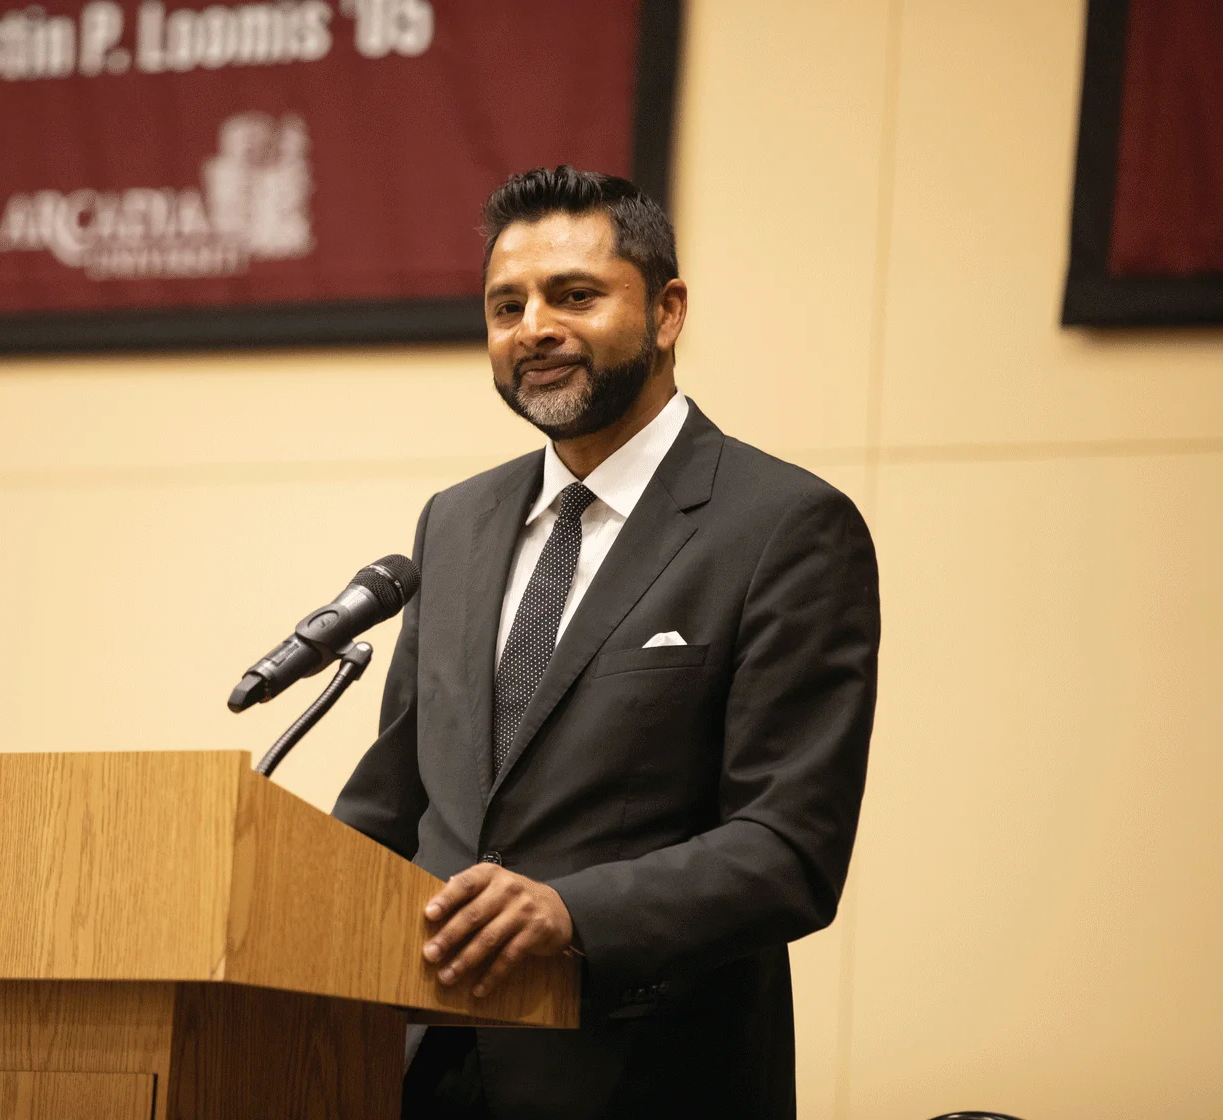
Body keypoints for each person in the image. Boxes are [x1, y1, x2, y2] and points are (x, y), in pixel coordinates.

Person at [331, 167, 880, 1119]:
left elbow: (790, 848)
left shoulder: (785, 527)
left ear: (667, 312)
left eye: (574, 295)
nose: (534, 327)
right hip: (422, 1071)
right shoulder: (453, 524)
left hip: (647, 1076)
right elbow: (391, 807)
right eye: (507, 305)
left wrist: (572, 911)